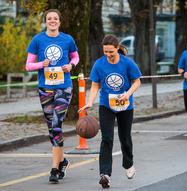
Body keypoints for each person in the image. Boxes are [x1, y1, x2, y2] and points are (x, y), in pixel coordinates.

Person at [78, 34, 141, 188]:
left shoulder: (127, 63)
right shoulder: (99, 64)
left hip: (125, 105)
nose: (108, 55)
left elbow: (137, 81)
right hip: (106, 105)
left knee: (125, 137)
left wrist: (128, 93)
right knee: (106, 138)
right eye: (105, 52)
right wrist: (90, 102)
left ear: (117, 49)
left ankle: (129, 164)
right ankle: (105, 174)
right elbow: (95, 85)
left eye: (111, 52)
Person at [25, 9, 79, 183]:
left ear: (59, 22)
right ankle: (62, 161)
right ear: (46, 21)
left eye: (55, 18)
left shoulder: (67, 39)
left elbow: (76, 57)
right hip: (45, 88)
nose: (52, 21)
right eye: (49, 18)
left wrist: (71, 65)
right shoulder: (38, 40)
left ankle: (55, 169)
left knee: (57, 123)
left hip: (64, 87)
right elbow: (28, 66)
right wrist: (42, 64)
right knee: (52, 126)